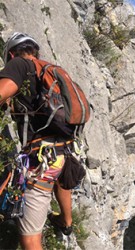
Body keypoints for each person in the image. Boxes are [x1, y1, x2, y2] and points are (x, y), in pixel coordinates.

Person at [0, 32, 74, 250]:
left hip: (39, 161)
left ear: (11, 54)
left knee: (31, 239)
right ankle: (66, 221)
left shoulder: (19, 64)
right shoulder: (50, 70)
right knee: (57, 178)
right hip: (62, 153)